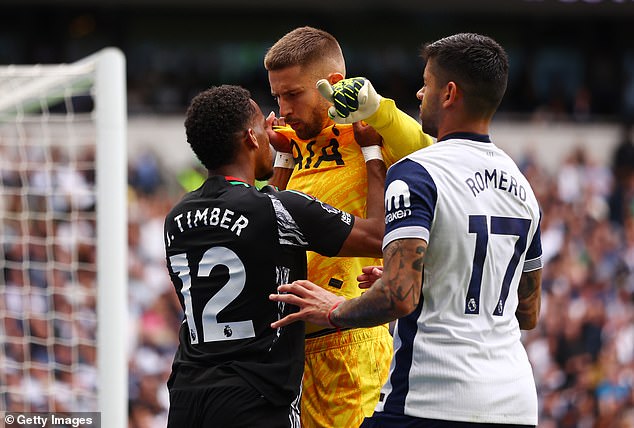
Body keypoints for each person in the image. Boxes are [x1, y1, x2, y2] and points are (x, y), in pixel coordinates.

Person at [270, 33, 544, 428]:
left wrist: (335, 309)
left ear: (448, 93)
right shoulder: (522, 187)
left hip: (429, 393)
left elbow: (399, 296)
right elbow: (528, 310)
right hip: (514, 398)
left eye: (426, 84)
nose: (418, 94)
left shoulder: (414, 168)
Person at [163, 84, 386, 427]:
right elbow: (377, 236)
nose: (273, 130)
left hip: (186, 398)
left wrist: (282, 158)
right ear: (251, 138)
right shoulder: (280, 209)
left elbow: (266, 227)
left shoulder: (176, 216)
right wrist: (372, 151)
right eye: (263, 129)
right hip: (256, 400)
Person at [263, 26, 434, 428]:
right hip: (289, 345)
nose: (284, 109)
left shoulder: (367, 133)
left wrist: (378, 111)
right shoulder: (291, 143)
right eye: (277, 97)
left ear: (332, 84)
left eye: (293, 95)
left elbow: (429, 149)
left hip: (349, 338)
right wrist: (281, 160)